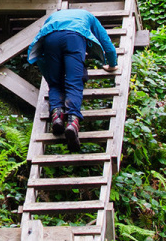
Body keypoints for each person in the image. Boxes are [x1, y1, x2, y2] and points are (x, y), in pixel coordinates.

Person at [28, 10, 119, 152]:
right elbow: (106, 42)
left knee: (55, 83)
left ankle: (57, 116)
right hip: (74, 38)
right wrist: (112, 63)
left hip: (50, 39)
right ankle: (72, 122)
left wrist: (50, 77)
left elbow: (43, 49)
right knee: (74, 82)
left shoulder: (53, 16)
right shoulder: (89, 16)